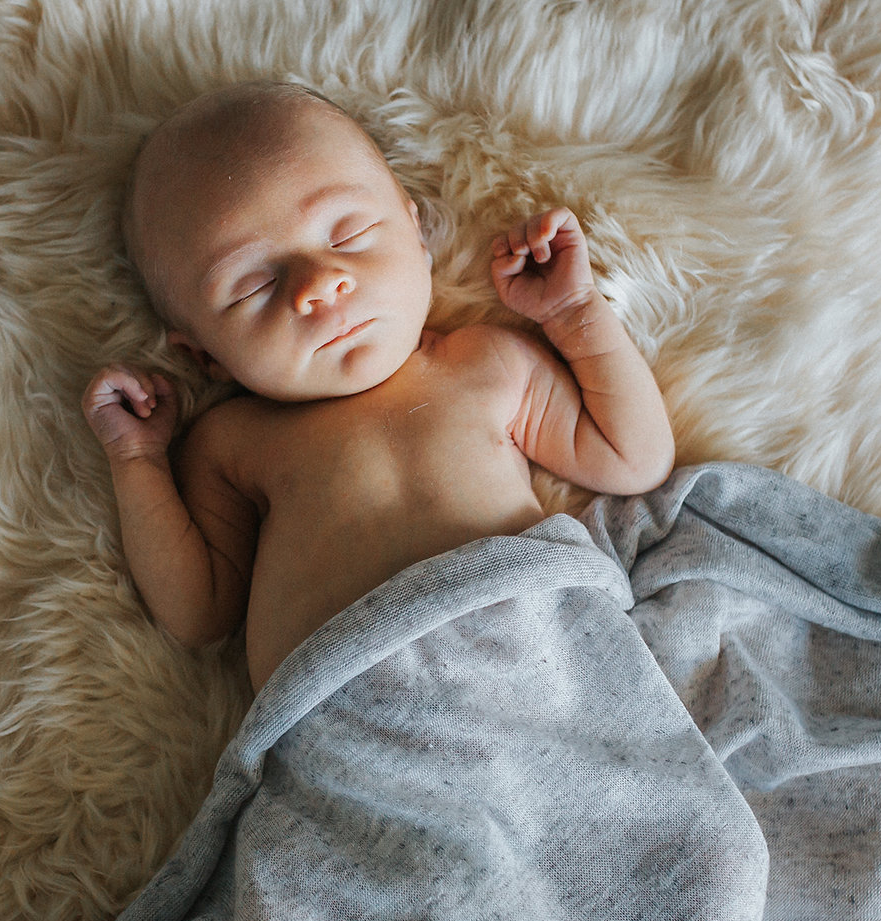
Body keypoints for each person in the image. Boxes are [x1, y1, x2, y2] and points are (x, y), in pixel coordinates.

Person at [81, 82, 674, 689]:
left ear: (416, 235)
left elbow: (634, 459)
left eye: (346, 235)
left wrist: (576, 310)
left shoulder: (486, 365)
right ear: (207, 358)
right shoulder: (234, 443)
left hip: (540, 667)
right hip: (353, 724)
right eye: (254, 286)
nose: (319, 283)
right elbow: (197, 616)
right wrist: (137, 460)